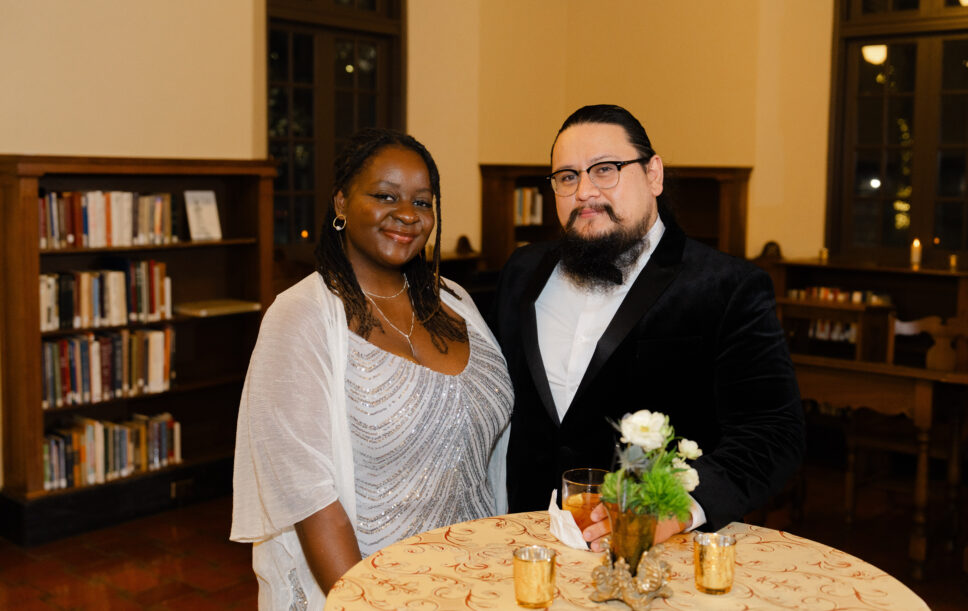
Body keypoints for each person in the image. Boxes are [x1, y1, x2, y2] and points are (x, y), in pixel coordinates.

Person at [490, 104, 804, 546]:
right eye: (567, 176)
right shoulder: (522, 272)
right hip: (526, 544)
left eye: (605, 169)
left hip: (660, 557)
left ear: (653, 174)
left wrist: (670, 510)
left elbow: (773, 432)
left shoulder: (729, 287)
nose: (584, 192)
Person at [231, 128, 513, 609]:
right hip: (373, 589)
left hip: (481, 583)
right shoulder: (301, 317)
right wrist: (367, 602)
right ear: (341, 203)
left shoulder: (457, 302)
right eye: (385, 196)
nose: (407, 215)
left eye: (422, 202)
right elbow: (310, 499)